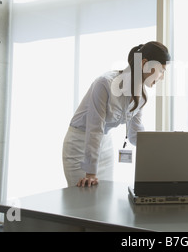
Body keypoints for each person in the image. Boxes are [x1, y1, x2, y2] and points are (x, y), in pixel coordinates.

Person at [62, 41, 171, 187]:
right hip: (79, 146)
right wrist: (90, 173)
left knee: (104, 202)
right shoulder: (105, 83)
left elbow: (134, 135)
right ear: (145, 64)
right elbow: (94, 128)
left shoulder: (141, 95)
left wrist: (159, 148)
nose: (162, 77)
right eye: (161, 70)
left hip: (105, 144)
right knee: (82, 201)